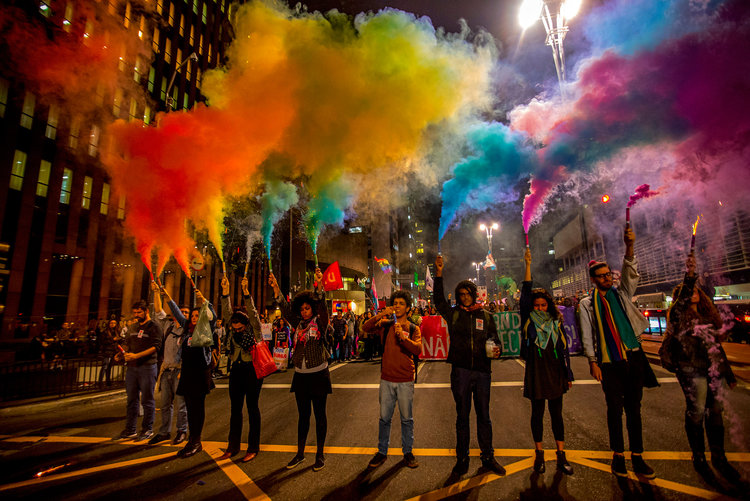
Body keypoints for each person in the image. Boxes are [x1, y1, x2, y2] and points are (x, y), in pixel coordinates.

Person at [579, 227, 658, 478]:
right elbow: (587, 334)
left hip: (632, 356)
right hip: (609, 362)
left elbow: (630, 273)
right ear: (593, 279)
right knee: (614, 409)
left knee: (635, 408)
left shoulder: (622, 293)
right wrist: (593, 361)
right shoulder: (587, 303)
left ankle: (637, 456)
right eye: (601, 277)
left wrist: (630, 246)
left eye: (608, 275)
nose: (607, 279)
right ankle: (618, 456)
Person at [661, 254, 742, 483]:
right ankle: (699, 457)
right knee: (696, 412)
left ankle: (719, 455)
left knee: (715, 413)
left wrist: (729, 374)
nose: (693, 292)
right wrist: (689, 274)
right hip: (690, 369)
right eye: (688, 291)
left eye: (696, 290)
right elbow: (684, 296)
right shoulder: (679, 315)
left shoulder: (707, 315)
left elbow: (716, 348)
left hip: (713, 370)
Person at [434, 255, 505, 476]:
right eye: (461, 294)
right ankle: (462, 459)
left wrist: (497, 348)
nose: (464, 297)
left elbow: (495, 339)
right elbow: (438, 300)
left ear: (474, 295)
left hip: (483, 372)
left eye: (467, 294)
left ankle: (488, 457)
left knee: (484, 416)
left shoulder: (486, 315)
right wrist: (439, 273)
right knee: (462, 416)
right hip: (461, 372)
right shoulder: (453, 314)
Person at [269, 268, 331, 472]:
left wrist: (319, 286)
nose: (304, 311)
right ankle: (300, 453)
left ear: (312, 308)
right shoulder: (297, 324)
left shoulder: (320, 323)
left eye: (307, 308)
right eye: (302, 309)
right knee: (303, 417)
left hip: (319, 374)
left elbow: (323, 308)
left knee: (320, 416)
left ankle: (320, 454)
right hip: (301, 377)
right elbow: (286, 311)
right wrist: (277, 290)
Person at [520, 248, 574, 475]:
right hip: (535, 372)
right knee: (537, 415)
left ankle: (561, 455)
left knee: (557, 415)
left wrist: (568, 374)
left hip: (555, 372)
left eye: (543, 305)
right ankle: (539, 454)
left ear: (548, 306)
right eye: (537, 305)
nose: (540, 308)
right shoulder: (528, 320)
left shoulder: (556, 322)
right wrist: (528, 265)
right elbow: (525, 293)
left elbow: (564, 351)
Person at [363, 291, 422, 469]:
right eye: (395, 303)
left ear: (408, 308)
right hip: (387, 379)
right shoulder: (386, 325)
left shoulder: (413, 328)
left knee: (406, 419)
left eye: (401, 303)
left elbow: (418, 350)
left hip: (405, 380)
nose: (397, 306)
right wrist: (381, 314)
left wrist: (403, 338)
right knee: (384, 418)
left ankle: (408, 452)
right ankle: (382, 452)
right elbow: (366, 328)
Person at [164, 286, 217, 458]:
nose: (194, 318)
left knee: (197, 408)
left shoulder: (205, 330)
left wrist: (204, 302)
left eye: (197, 315)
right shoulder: (187, 331)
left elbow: (213, 317)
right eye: (192, 316)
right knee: (189, 407)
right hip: (187, 375)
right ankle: (191, 440)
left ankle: (196, 441)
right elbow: (177, 313)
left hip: (200, 375)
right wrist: (166, 297)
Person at [218, 275, 265, 462]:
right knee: (235, 410)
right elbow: (227, 313)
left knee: (252, 408)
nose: (236, 330)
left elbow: (253, 314)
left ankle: (253, 447)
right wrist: (225, 292)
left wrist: (246, 294)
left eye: (239, 328)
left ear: (246, 325)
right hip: (236, 370)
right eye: (234, 328)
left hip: (253, 371)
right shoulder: (232, 328)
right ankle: (233, 446)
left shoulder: (254, 329)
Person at [115, 300, 163, 442]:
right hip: (132, 368)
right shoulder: (133, 326)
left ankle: (147, 429)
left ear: (146, 311)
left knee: (147, 400)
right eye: (135, 312)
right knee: (131, 399)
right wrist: (121, 354)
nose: (136, 315)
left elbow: (156, 347)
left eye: (139, 312)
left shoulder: (154, 327)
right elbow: (128, 344)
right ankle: (130, 429)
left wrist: (137, 356)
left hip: (147, 367)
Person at [148, 283, 188, 446]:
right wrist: (157, 292)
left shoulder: (187, 329)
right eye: (182, 312)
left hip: (179, 372)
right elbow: (158, 311)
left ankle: (181, 431)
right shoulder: (168, 325)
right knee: (165, 404)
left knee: (181, 405)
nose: (183, 315)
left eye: (186, 313)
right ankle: (164, 432)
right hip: (166, 372)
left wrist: (168, 297)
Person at [97, 317, 119, 386]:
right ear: (109, 324)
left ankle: (108, 381)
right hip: (106, 351)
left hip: (113, 351)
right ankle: (100, 382)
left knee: (109, 367)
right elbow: (102, 341)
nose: (113, 324)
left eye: (114, 323)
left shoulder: (116, 331)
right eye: (111, 323)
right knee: (105, 366)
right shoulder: (105, 332)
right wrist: (113, 339)